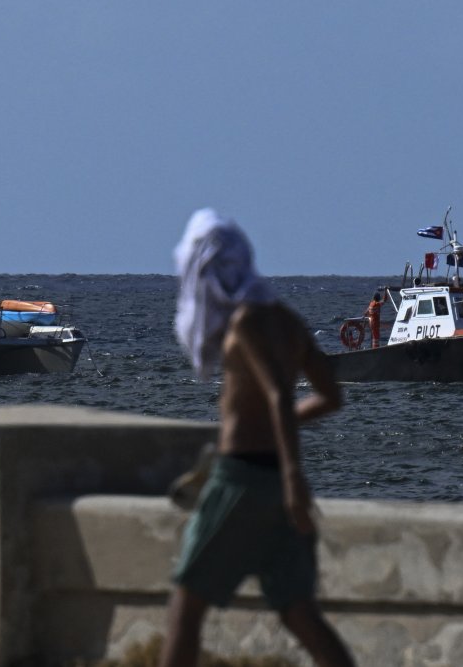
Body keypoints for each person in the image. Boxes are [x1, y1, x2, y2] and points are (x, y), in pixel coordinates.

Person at [161, 208, 355, 667]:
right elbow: (329, 396)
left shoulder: (245, 321)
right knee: (299, 613)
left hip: (242, 481)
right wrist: (282, 446)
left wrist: (294, 477)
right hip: (274, 487)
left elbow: (276, 393)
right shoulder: (287, 319)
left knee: (185, 610)